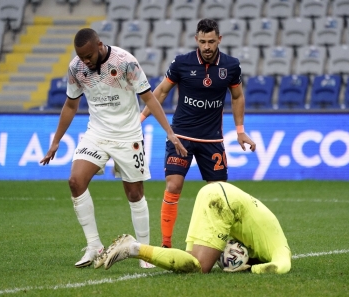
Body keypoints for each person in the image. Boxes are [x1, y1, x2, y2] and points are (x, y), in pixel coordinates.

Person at [40, 28, 187, 269]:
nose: (85, 62)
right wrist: (56, 141)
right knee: (75, 182)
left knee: (134, 193)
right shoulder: (76, 68)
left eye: (88, 56)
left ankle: (145, 254)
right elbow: (70, 105)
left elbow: (149, 98)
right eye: (81, 57)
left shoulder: (126, 62)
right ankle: (94, 246)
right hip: (96, 134)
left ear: (99, 44)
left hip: (128, 135)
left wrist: (169, 132)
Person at [140, 19, 256, 248]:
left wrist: (240, 131)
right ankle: (165, 245)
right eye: (202, 41)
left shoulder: (231, 66)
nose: (207, 46)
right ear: (196, 40)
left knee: (219, 193)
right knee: (173, 185)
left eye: (211, 41)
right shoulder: (182, 63)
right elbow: (161, 91)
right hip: (181, 135)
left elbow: (237, 97)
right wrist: (140, 119)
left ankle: (220, 244)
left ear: (219, 40)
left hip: (212, 138)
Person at [94, 182, 292, 274]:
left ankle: (135, 248)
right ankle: (134, 248)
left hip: (213, 192)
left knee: (188, 263)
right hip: (224, 202)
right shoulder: (279, 249)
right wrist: (250, 270)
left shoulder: (264, 237)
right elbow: (281, 267)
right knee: (200, 267)